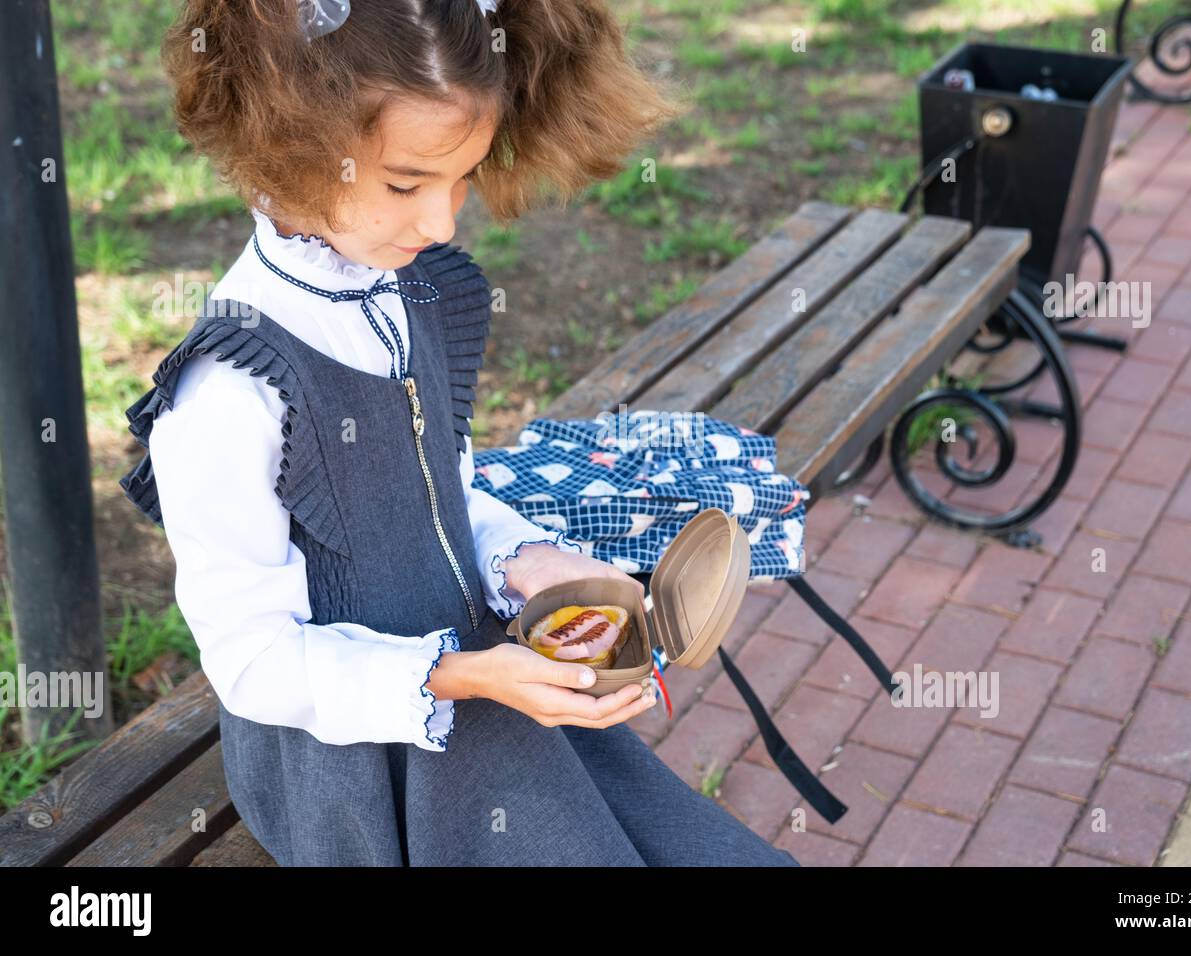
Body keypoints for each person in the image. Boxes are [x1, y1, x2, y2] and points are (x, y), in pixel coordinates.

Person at [119, 0, 800, 867]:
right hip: (354, 763)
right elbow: (251, 659)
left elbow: (439, 497)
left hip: (475, 670)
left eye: (464, 178)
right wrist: (462, 677)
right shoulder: (229, 391)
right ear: (289, 144)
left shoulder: (413, 286)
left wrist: (526, 561)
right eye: (406, 184)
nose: (443, 224)